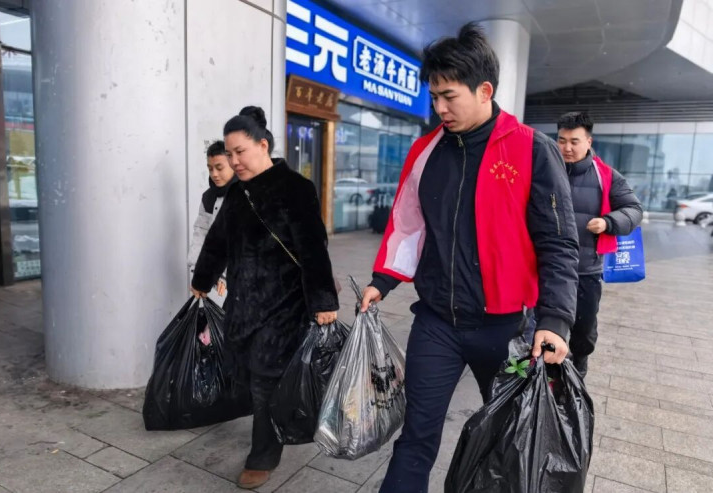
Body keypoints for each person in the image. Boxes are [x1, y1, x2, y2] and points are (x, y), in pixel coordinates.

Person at [357, 22, 580, 492]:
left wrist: (555, 320)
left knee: (509, 438)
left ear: (484, 91)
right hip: (437, 323)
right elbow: (409, 224)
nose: (439, 108)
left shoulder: (532, 149)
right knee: (416, 436)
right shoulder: (425, 151)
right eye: (433, 97)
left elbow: (559, 243)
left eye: (449, 96)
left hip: (508, 329)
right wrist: (383, 280)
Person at [190, 106, 339, 489]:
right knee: (251, 374)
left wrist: (323, 301)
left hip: (284, 306)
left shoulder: (296, 188)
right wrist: (203, 277)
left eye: (239, 151)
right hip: (243, 304)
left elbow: (313, 248)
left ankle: (263, 455)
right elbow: (217, 241)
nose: (233, 161)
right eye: (229, 153)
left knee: (264, 380)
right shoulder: (237, 193)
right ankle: (284, 419)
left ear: (263, 145)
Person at [557, 111, 642, 377]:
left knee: (583, 331)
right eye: (561, 140)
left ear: (588, 141)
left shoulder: (606, 175)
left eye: (574, 141)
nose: (567, 148)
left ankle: (578, 372)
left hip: (586, 270)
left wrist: (608, 222)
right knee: (542, 327)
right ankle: (542, 378)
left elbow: (634, 209)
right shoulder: (545, 170)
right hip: (547, 268)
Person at [187, 140, 235, 314]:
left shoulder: (245, 194)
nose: (214, 174)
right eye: (210, 168)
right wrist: (197, 269)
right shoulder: (208, 197)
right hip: (221, 279)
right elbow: (201, 232)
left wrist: (223, 275)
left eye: (219, 168)